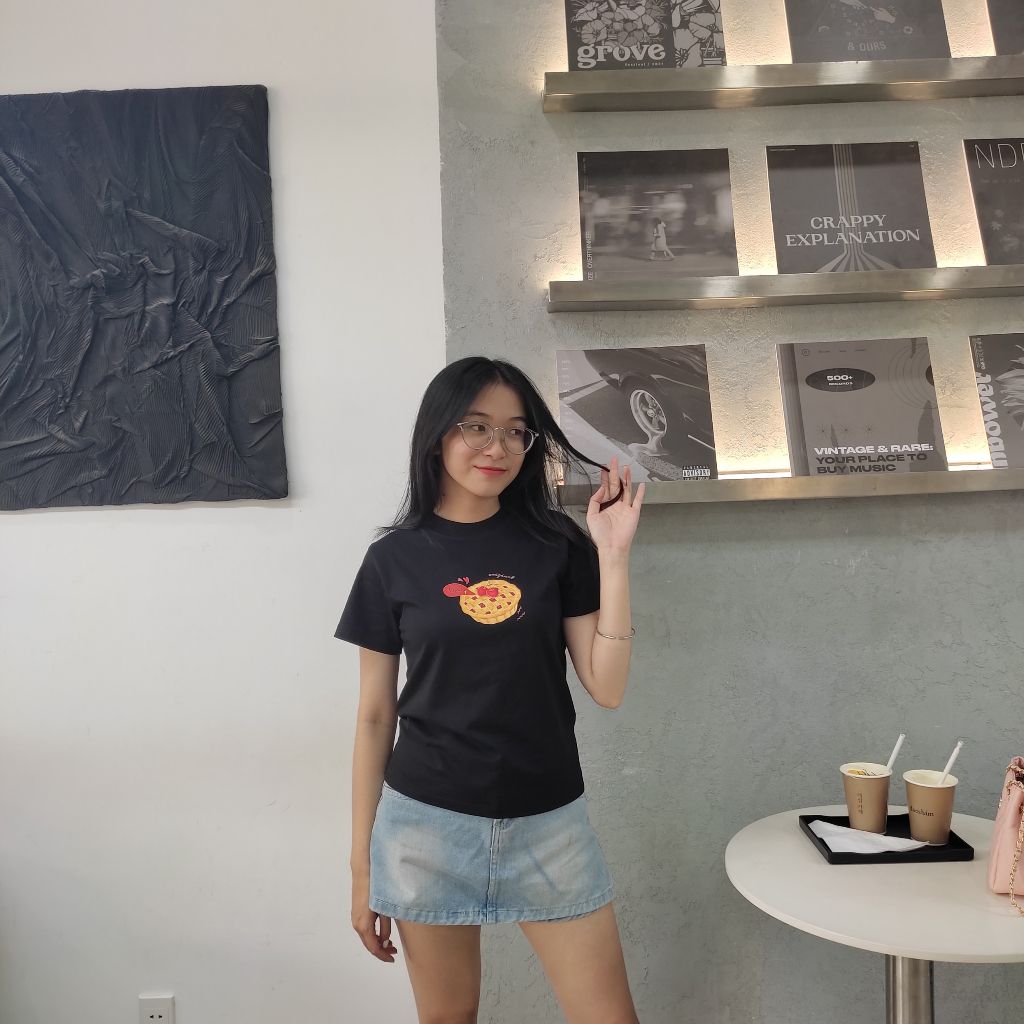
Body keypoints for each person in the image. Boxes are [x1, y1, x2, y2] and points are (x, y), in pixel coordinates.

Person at [335, 356, 645, 1024]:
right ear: (437, 434)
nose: (496, 447)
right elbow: (374, 717)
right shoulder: (392, 560)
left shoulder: (558, 544)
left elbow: (607, 686)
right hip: (426, 828)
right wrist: (363, 867)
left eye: (514, 431)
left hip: (551, 826)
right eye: (476, 426)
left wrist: (614, 556)